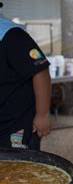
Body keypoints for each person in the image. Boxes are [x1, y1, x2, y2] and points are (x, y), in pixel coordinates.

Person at [0, 8, 51, 149]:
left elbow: (40, 71)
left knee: (20, 169)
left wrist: (42, 114)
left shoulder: (12, 35)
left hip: (15, 127)